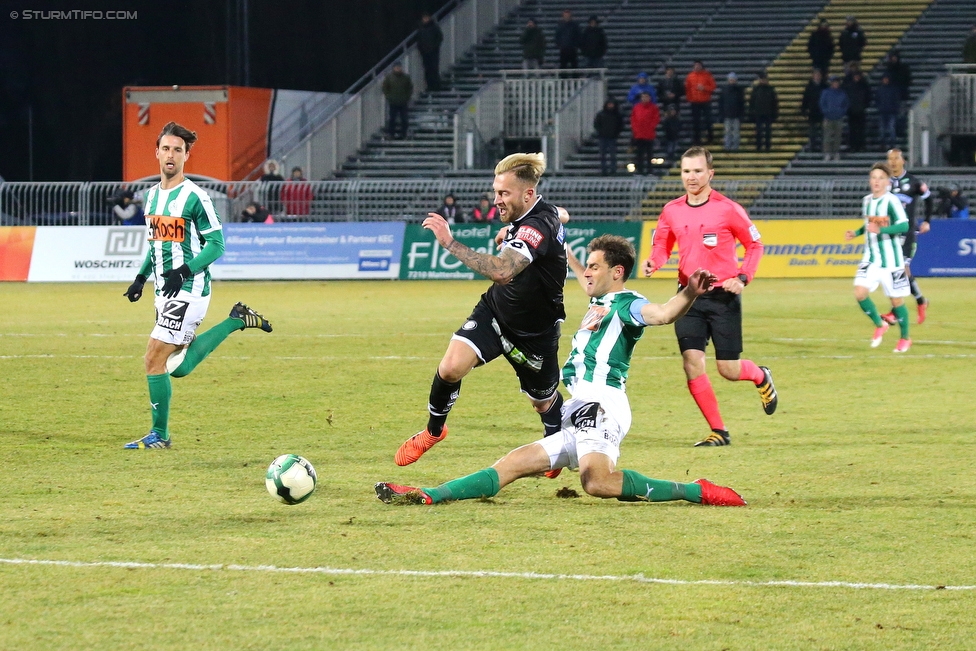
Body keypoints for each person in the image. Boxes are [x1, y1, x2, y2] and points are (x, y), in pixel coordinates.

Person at [376, 236, 746, 508]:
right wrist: (558, 242)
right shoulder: (598, 300)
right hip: (578, 408)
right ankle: (426, 495)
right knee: (513, 464)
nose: (587, 272)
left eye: (595, 266)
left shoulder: (628, 303)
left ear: (617, 272)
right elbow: (573, 269)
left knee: (596, 483)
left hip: (603, 404)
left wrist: (691, 294)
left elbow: (663, 314)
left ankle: (695, 490)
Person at [394, 153, 568, 467]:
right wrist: (513, 230)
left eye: (504, 194)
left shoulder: (537, 225)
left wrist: (449, 242)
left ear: (527, 194)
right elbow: (561, 214)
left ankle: (555, 445)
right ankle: (433, 431)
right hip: (496, 312)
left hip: (534, 332)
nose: (496, 200)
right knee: (450, 368)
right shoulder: (542, 212)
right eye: (496, 192)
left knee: (542, 401)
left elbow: (502, 271)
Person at [121, 121, 272, 450]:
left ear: (187, 155)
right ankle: (236, 320)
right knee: (175, 367)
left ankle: (160, 436)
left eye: (178, 149)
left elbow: (217, 245)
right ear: (157, 153)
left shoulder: (195, 198)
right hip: (164, 291)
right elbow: (157, 243)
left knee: (152, 358)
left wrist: (185, 270)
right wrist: (141, 277)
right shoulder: (150, 198)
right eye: (166, 148)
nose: (171, 154)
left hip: (189, 290)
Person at [642, 146, 776, 447]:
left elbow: (755, 245)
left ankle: (760, 376)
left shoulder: (729, 209)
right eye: (686, 171)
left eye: (698, 171)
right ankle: (719, 431)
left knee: (727, 369)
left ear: (710, 173)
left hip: (723, 296)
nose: (691, 177)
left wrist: (742, 278)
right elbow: (662, 244)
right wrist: (655, 261)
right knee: (691, 361)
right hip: (688, 296)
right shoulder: (671, 210)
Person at [844, 162, 911, 352]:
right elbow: (869, 225)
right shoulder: (867, 201)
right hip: (871, 258)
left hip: (892, 261)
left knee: (896, 301)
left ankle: (905, 338)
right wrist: (856, 233)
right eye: (874, 177)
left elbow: (904, 225)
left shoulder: (892, 201)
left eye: (881, 178)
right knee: (859, 292)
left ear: (887, 182)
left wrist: (882, 230)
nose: (876, 181)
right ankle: (879, 324)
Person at [882, 149, 932, 324]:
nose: (893, 162)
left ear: (903, 160)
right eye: (890, 159)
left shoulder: (913, 182)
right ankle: (920, 301)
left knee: (901, 269)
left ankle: (895, 312)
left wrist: (926, 221)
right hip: (891, 234)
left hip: (908, 233)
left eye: (896, 159)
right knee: (895, 272)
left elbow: (928, 197)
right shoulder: (885, 183)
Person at [685, 60, 716, 145]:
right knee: (696, 121)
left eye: (698, 66)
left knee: (708, 120)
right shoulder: (690, 76)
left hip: (705, 101)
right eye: (696, 66)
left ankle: (710, 137)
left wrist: (704, 88)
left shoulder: (707, 75)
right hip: (695, 102)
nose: (697, 67)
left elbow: (713, 87)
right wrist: (690, 98)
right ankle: (697, 139)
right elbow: (688, 89)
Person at [630, 92, 660, 176]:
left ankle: (650, 170)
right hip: (639, 134)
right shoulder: (637, 107)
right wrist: (636, 129)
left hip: (649, 134)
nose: (644, 99)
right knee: (639, 154)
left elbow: (656, 119)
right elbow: (633, 119)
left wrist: (651, 127)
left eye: (646, 97)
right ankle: (640, 170)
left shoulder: (653, 108)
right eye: (643, 97)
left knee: (649, 154)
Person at [382, 61, 413, 140]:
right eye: (396, 67)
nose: (398, 69)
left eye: (399, 67)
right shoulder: (389, 77)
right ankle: (391, 134)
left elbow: (410, 88)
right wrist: (389, 97)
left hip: (403, 102)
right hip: (393, 102)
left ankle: (404, 134)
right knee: (392, 119)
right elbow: (385, 88)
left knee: (404, 119)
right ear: (393, 68)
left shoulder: (406, 77)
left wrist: (407, 97)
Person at [819, 75, 848, 161]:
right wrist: (826, 112)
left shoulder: (842, 93)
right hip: (828, 117)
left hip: (838, 117)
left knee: (837, 136)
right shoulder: (826, 92)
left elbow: (846, 104)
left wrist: (841, 112)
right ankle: (827, 153)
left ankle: (836, 152)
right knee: (827, 136)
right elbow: (822, 103)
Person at [593, 98, 624, 176]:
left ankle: (613, 169)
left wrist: (616, 133)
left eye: (612, 104)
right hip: (602, 137)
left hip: (612, 137)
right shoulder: (600, 114)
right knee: (603, 155)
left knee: (612, 155)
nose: (610, 106)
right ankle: (604, 170)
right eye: (609, 104)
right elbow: (596, 124)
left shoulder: (617, 115)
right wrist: (600, 132)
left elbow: (620, 125)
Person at [749, 71, 778, 153]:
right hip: (758, 113)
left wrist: (774, 113)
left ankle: (767, 147)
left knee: (768, 131)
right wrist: (752, 113)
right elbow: (752, 102)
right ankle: (759, 146)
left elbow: (774, 102)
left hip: (768, 113)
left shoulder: (770, 90)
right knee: (759, 131)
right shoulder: (756, 89)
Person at [843, 67, 870, 153]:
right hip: (851, 111)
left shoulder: (864, 85)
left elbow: (868, 97)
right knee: (852, 130)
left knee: (861, 129)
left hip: (861, 111)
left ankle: (860, 146)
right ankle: (853, 145)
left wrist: (864, 106)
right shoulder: (849, 86)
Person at [800, 69, 827, 152]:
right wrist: (804, 110)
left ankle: (824, 147)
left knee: (824, 132)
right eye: (816, 75)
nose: (817, 77)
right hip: (812, 112)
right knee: (812, 132)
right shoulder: (809, 87)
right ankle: (813, 147)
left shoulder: (825, 86)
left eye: (819, 75)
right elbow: (805, 100)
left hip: (823, 112)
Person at [718, 72, 745, 152]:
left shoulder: (739, 91)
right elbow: (721, 103)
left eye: (733, 79)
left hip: (736, 114)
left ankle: (735, 146)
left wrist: (741, 114)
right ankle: (727, 145)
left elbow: (742, 103)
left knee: (736, 132)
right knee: (727, 131)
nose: (732, 81)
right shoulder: (724, 91)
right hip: (727, 114)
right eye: (731, 79)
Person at [417, 13, 443, 92]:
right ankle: (429, 86)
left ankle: (436, 86)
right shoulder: (421, 29)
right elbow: (419, 41)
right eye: (424, 18)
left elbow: (440, 37)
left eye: (427, 18)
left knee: (434, 69)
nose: (425, 19)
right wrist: (421, 50)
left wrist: (434, 47)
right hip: (425, 53)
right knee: (427, 70)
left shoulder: (434, 27)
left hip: (433, 52)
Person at [875, 75, 901, 151]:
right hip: (883, 111)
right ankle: (883, 144)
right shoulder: (880, 89)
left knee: (891, 128)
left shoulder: (892, 89)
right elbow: (877, 100)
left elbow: (896, 100)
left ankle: (892, 144)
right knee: (882, 129)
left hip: (891, 112)